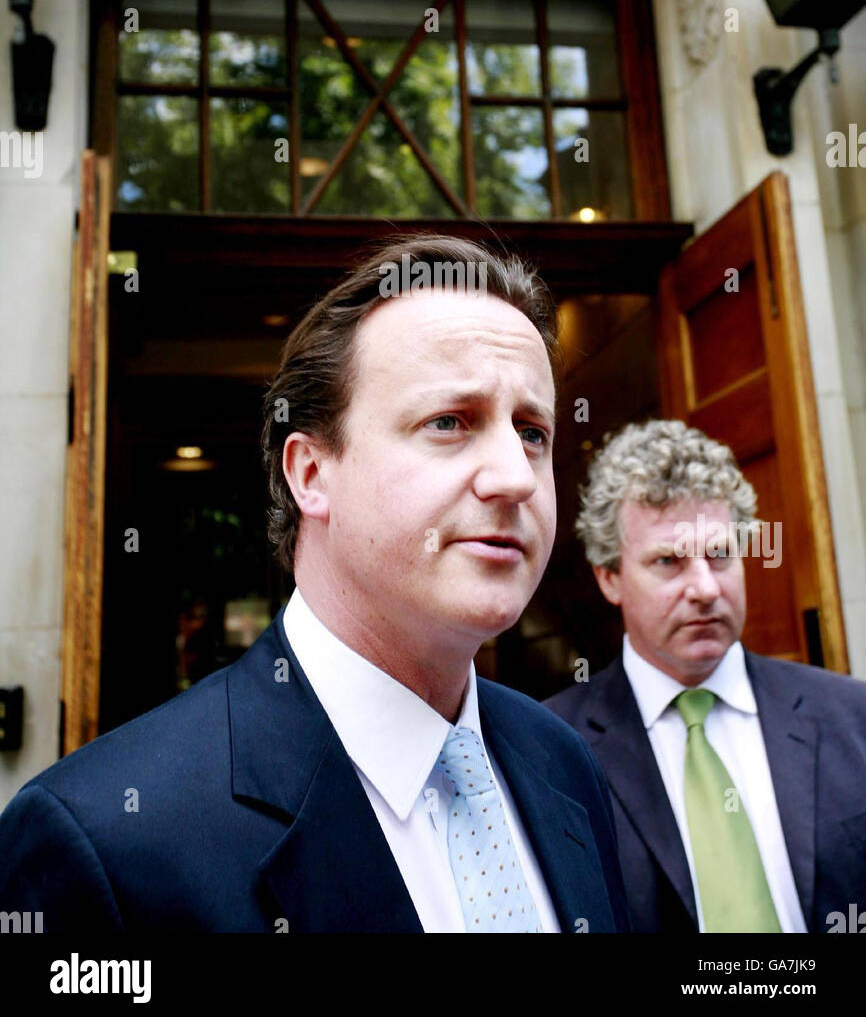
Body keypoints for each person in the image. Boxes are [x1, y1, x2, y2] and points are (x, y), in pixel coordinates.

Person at [0, 234, 629, 934]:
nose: (515, 475)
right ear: (310, 474)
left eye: (533, 432)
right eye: (450, 422)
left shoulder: (564, 764)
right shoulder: (104, 840)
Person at [546, 418, 866, 933]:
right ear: (609, 577)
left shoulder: (852, 716)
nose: (704, 588)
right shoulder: (551, 752)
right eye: (669, 561)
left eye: (719, 555)